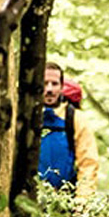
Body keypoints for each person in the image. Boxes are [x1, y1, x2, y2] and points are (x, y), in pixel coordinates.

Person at [39, 60, 98, 199]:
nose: (49, 89)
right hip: (29, 201)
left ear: (61, 87)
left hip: (65, 201)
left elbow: (88, 164)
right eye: (45, 83)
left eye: (54, 84)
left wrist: (82, 202)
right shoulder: (25, 116)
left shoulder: (75, 118)